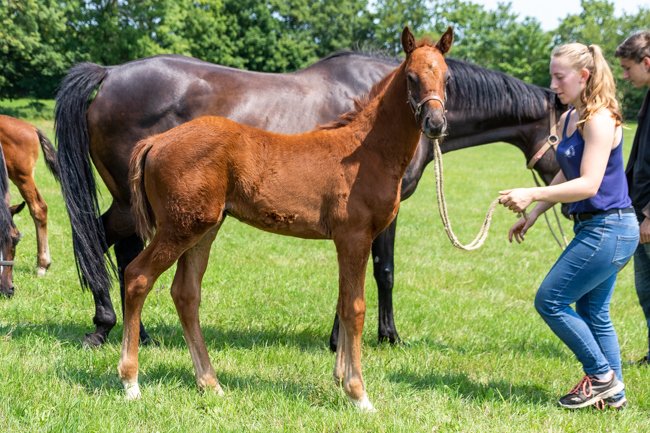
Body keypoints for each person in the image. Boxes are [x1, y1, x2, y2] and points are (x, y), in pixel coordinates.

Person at [498, 42, 639, 410]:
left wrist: (531, 191)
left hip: (610, 228)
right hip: (595, 229)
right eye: (552, 76)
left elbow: (589, 184)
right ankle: (614, 396)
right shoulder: (569, 119)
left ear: (584, 76)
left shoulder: (600, 119)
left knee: (551, 300)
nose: (553, 84)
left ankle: (602, 377)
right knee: (594, 313)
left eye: (559, 77)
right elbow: (568, 171)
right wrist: (535, 212)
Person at [615, 30, 650, 366]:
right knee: (646, 291)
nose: (624, 75)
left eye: (627, 68)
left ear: (647, 62)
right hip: (638, 209)